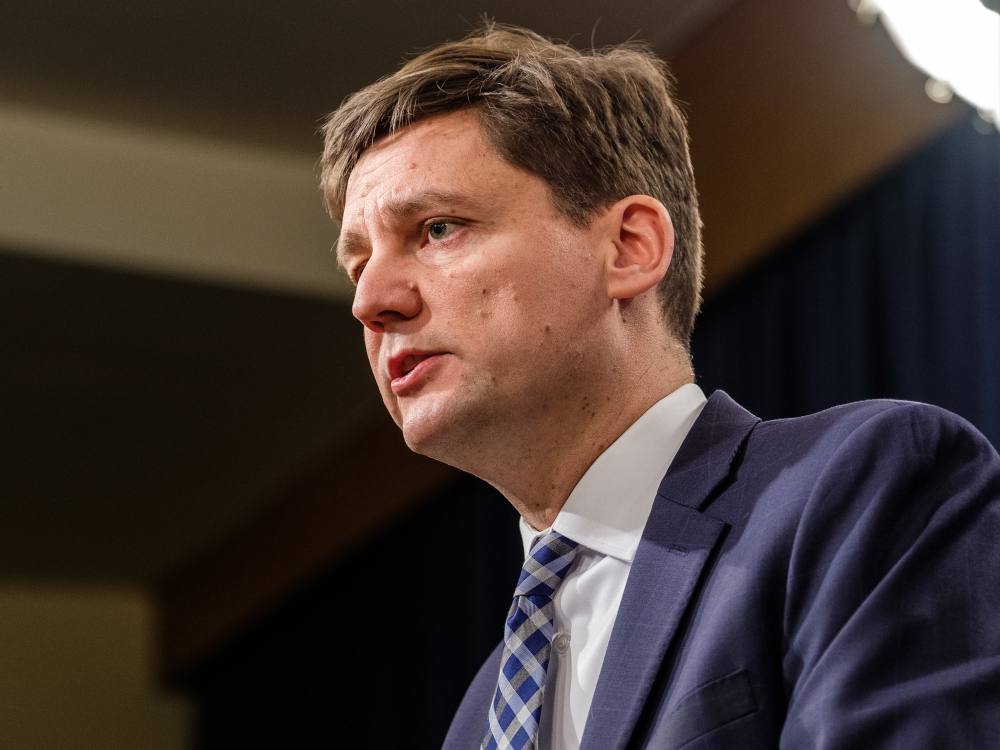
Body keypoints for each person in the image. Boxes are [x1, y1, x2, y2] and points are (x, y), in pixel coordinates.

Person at [319, 24, 1000, 750]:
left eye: (438, 228)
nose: (372, 301)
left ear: (629, 247)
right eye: (358, 266)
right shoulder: (481, 714)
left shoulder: (858, 491)